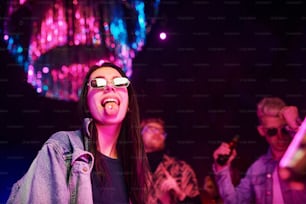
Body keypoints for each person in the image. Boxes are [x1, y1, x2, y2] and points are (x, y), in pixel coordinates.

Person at [7, 62, 151, 204]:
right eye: (98, 83)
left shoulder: (134, 168)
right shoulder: (63, 147)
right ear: (87, 103)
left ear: (129, 105)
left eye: (119, 82)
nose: (109, 87)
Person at [212, 96, 306, 204]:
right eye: (272, 131)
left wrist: (296, 128)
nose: (280, 137)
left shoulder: (300, 160)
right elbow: (234, 202)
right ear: (262, 131)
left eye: (284, 129)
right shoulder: (257, 169)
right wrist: (222, 168)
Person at [140, 117, 201, 204]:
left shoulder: (181, 169)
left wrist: (180, 194)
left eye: (161, 132)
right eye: (152, 129)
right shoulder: (128, 168)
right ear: (140, 134)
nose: (157, 134)